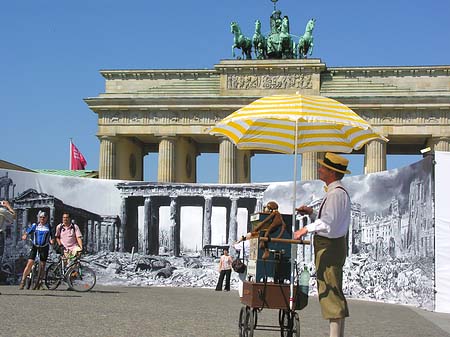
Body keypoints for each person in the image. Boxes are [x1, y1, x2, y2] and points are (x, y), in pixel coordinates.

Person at [294, 152, 351, 337]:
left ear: (332, 173)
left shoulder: (335, 194)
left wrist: (305, 229)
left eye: (323, 168)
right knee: (331, 291)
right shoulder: (336, 193)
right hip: (332, 245)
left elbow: (328, 223)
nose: (319, 169)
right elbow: (329, 221)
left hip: (330, 247)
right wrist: (312, 212)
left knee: (330, 293)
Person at [19, 210, 54, 290]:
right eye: (41, 217)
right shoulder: (35, 225)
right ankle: (23, 281)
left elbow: (52, 236)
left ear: (47, 218)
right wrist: (25, 235)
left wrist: (52, 241)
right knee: (30, 263)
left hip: (44, 247)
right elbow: (28, 231)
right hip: (35, 246)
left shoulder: (49, 226)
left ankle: (40, 282)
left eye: (44, 217)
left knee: (42, 265)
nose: (42, 219)